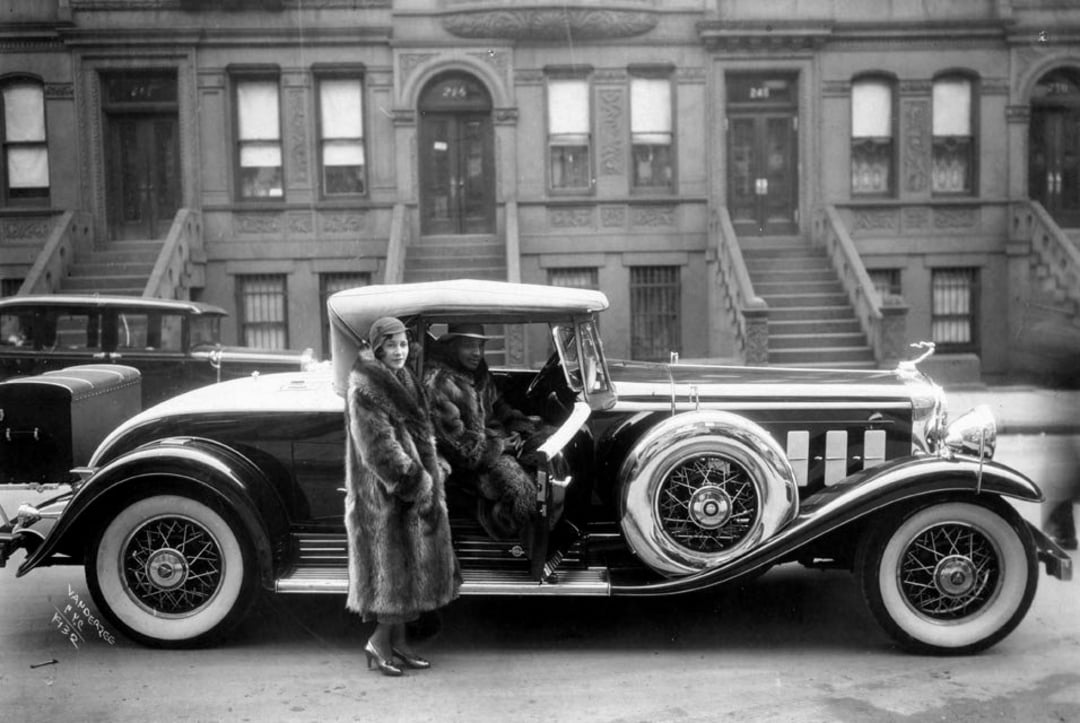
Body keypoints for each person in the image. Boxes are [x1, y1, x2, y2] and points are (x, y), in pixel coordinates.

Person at [344, 316, 460, 677]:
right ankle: (378, 643)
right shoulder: (365, 387)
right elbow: (379, 449)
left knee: (409, 575)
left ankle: (400, 644)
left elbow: (418, 434)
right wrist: (419, 485)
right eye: (391, 345)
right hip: (385, 496)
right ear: (377, 348)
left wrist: (434, 461)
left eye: (404, 344)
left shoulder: (404, 377)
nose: (399, 351)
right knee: (391, 576)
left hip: (409, 490)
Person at [423, 323, 541, 540]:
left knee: (546, 448)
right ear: (452, 346)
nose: (477, 353)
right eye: (469, 346)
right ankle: (513, 541)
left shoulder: (478, 372)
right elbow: (457, 445)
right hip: (468, 465)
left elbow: (500, 407)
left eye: (480, 346)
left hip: (495, 442)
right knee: (522, 490)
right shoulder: (439, 381)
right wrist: (500, 445)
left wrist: (519, 430)